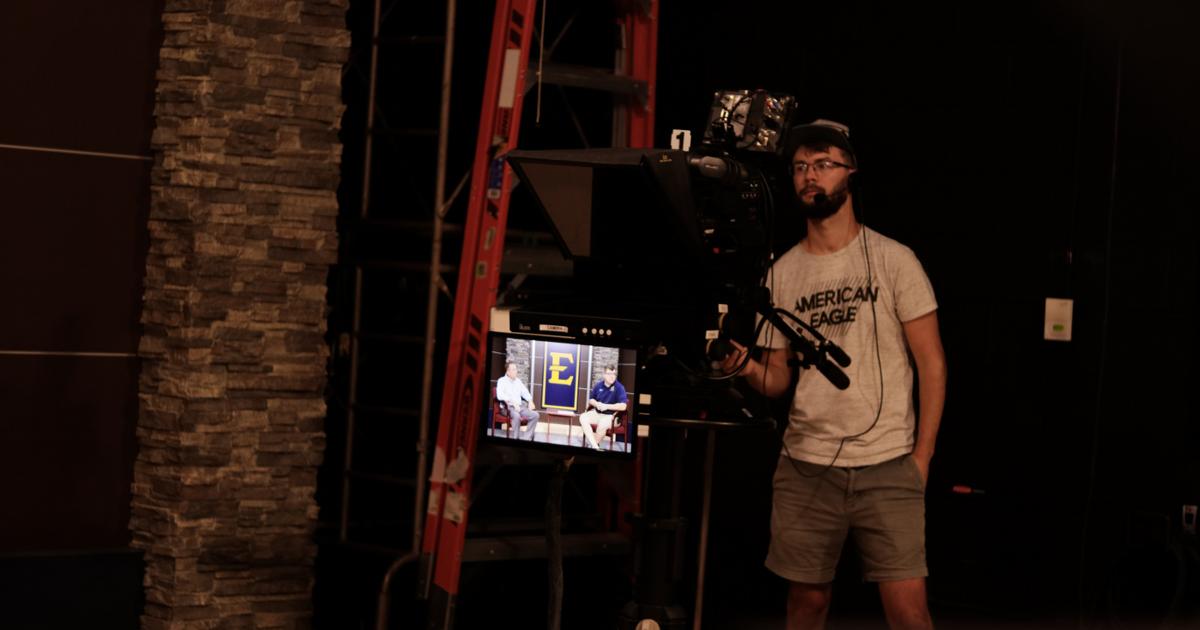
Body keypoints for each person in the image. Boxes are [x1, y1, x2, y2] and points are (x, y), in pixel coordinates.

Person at [722, 119, 946, 630]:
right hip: (807, 465)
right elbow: (778, 380)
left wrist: (923, 457)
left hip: (888, 463)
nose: (810, 175)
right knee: (806, 605)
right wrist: (745, 367)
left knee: (909, 612)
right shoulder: (782, 273)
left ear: (850, 173)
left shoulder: (894, 260)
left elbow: (932, 363)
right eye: (801, 166)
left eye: (824, 163)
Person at [577, 364, 627, 450]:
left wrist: (606, 406)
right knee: (583, 417)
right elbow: (591, 399)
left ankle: (593, 445)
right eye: (609, 374)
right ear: (604, 375)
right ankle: (595, 446)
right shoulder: (598, 385)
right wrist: (597, 404)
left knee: (602, 423)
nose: (612, 376)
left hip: (612, 416)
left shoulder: (619, 387)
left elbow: (623, 406)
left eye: (614, 374)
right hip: (597, 413)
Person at [495, 360, 539, 439]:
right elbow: (500, 395)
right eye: (514, 369)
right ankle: (516, 438)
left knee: (535, 415)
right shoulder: (501, 381)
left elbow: (525, 392)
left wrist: (530, 401)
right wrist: (513, 402)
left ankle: (526, 438)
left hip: (519, 407)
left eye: (516, 369)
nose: (516, 371)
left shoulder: (518, 381)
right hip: (507, 407)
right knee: (516, 416)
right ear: (508, 372)